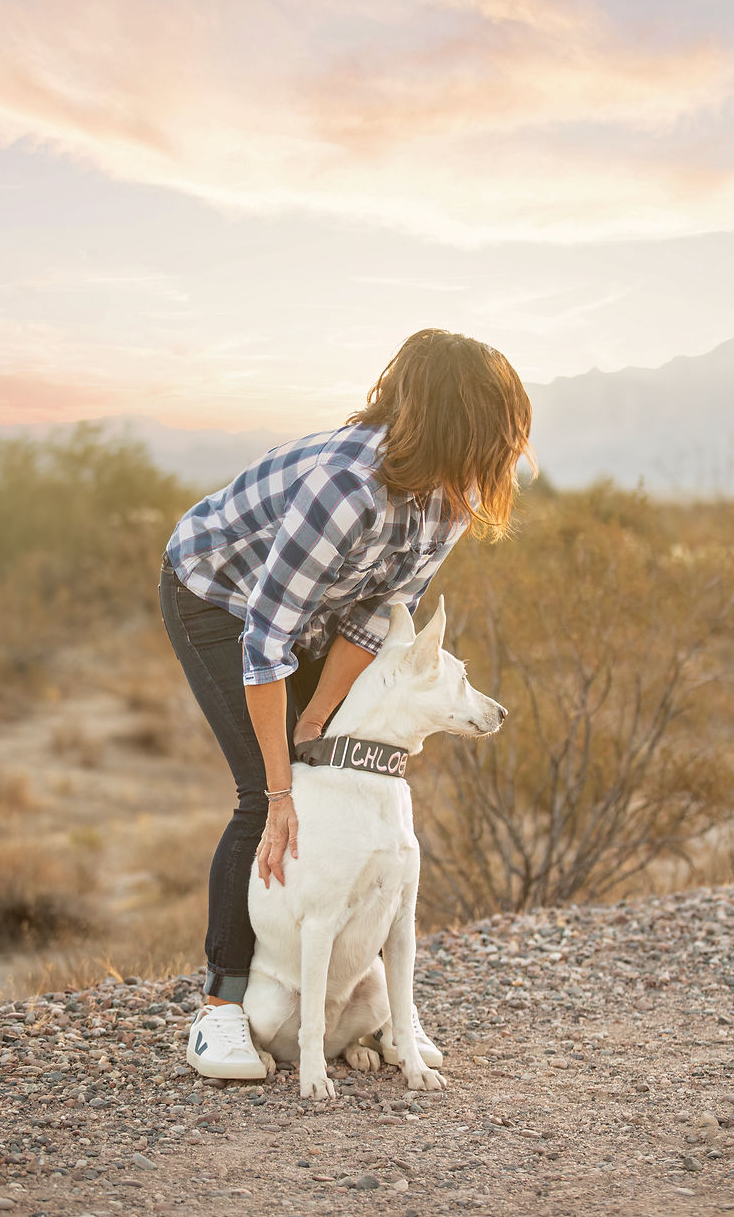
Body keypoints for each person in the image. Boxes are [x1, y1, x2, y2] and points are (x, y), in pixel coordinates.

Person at [159, 328, 533, 1079]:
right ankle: (222, 1011)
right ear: (459, 423)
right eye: (498, 432)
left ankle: (341, 1006)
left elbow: (374, 618)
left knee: (314, 763)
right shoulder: (344, 485)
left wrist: (315, 719)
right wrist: (283, 783)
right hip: (218, 599)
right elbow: (266, 638)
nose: (507, 456)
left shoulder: (449, 500)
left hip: (322, 619)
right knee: (263, 799)